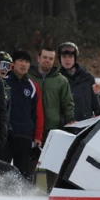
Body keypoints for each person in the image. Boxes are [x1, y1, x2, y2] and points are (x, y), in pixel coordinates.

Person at [28, 46, 74, 191]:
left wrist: (69, 121)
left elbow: (68, 103)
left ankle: (49, 190)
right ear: (39, 58)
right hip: (32, 126)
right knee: (34, 160)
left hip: (54, 127)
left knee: (52, 160)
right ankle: (35, 189)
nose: (47, 61)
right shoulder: (29, 77)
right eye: (45, 57)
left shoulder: (61, 80)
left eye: (51, 58)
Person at [0, 50, 44, 180]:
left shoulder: (33, 86)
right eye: (20, 61)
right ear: (13, 63)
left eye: (26, 62)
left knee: (23, 172)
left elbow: (38, 113)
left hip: (25, 134)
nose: (23, 64)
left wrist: (38, 135)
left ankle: (22, 196)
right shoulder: (4, 81)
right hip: (6, 133)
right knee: (2, 167)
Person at [57, 42, 100, 122]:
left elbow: (96, 105)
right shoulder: (56, 79)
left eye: (70, 56)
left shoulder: (88, 78)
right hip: (65, 126)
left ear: (75, 58)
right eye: (64, 57)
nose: (67, 60)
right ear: (60, 58)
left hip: (85, 125)